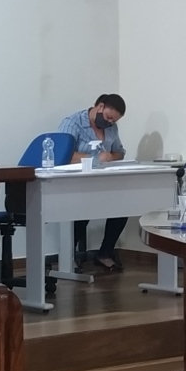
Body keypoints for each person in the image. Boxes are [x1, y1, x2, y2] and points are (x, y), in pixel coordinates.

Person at [58, 93, 128, 271]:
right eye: (108, 118)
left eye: (114, 121)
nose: (110, 123)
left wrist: (111, 156)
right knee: (83, 210)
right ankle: (67, 256)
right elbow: (62, 154)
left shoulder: (111, 128)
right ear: (100, 107)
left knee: (123, 207)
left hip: (103, 182)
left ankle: (105, 253)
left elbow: (119, 152)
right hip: (74, 183)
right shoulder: (72, 123)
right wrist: (94, 158)